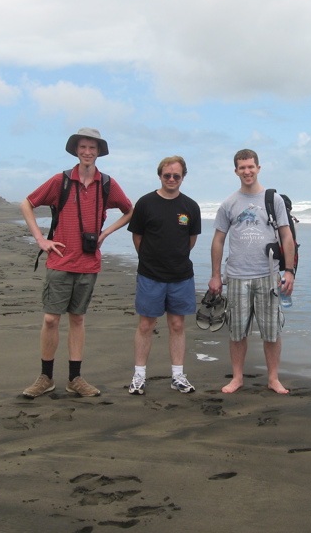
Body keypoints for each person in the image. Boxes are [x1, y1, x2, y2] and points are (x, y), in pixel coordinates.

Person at [20, 128, 132, 398]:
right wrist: (40, 240)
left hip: (88, 262)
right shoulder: (61, 181)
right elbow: (27, 203)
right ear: (76, 150)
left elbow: (130, 210)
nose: (87, 152)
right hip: (59, 260)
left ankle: (75, 378)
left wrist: (105, 233)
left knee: (78, 320)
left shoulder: (107, 183)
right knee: (50, 320)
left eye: (92, 148)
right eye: (83, 147)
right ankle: (45, 377)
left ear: (98, 152)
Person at [208, 149, 296, 394]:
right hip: (236, 276)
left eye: (250, 166)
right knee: (237, 331)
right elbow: (218, 240)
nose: (247, 171)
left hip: (268, 275)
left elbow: (286, 236)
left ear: (258, 168)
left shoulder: (273, 200)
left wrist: (289, 271)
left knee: (271, 331)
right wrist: (216, 275)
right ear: (236, 171)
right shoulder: (229, 203)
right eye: (242, 167)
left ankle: (273, 378)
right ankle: (237, 377)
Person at [126, 156, 202, 395]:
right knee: (146, 324)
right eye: (167, 175)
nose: (171, 179)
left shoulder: (190, 207)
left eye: (176, 176)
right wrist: (151, 260)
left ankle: (178, 375)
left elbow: (190, 241)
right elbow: (137, 237)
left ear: (183, 177)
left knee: (178, 324)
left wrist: (173, 259)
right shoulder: (146, 203)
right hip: (150, 275)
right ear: (159, 175)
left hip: (180, 276)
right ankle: (139, 376)